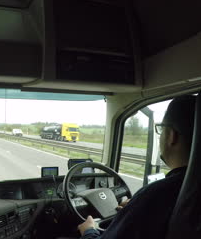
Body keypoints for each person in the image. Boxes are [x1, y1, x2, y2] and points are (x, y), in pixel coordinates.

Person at [77, 95, 196, 239]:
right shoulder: (185, 190)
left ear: (171, 135)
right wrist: (134, 207)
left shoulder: (156, 195)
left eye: (161, 129)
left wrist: (89, 230)